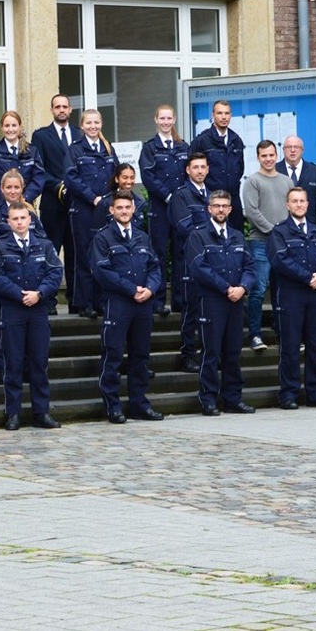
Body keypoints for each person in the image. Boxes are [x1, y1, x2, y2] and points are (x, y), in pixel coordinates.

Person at [0, 202, 63, 431]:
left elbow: (55, 272)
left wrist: (39, 294)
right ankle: (13, 413)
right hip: (13, 309)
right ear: (8, 222)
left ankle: (42, 411)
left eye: (23, 218)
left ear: (30, 220)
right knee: (13, 363)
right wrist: (19, 295)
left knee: (39, 362)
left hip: (38, 309)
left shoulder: (44, 245)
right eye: (15, 219)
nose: (20, 222)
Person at [90, 190, 163, 424]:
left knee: (140, 356)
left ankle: (139, 404)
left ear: (133, 209)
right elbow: (102, 271)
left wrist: (150, 288)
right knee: (113, 355)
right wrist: (132, 289)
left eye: (127, 207)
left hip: (143, 304)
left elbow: (154, 266)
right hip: (118, 303)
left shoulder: (142, 237)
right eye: (119, 208)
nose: (124, 211)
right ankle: (113, 406)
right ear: (111, 210)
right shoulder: (102, 238)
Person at [185, 190, 257, 416]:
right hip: (212, 301)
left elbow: (250, 267)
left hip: (236, 302)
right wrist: (227, 288)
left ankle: (233, 398)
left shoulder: (237, 236)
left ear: (231, 209)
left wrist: (243, 287)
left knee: (233, 352)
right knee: (211, 351)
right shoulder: (198, 236)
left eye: (225, 206)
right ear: (209, 209)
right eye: (216, 205)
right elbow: (199, 268)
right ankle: (208, 399)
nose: (221, 209)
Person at [269, 187, 316, 409]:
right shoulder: (279, 232)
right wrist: (307, 276)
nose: (299, 204)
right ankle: (289, 394)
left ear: (308, 205)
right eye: (294, 201)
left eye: (302, 201)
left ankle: (315, 393)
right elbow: (280, 260)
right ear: (287, 205)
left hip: (315, 296)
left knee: (315, 345)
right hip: (291, 296)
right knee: (290, 346)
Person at [0, 169, 49, 384]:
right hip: (5, 279)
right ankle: (0, 368)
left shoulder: (31, 213)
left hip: (31, 279)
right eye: (8, 187)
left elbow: (41, 240)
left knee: (31, 331)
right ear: (1, 189)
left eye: (17, 187)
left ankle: (28, 369)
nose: (13, 191)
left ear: (23, 189)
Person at [31, 94, 82, 314]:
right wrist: (58, 186)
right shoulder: (41, 136)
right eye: (57, 107)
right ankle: (49, 301)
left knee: (75, 254)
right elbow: (38, 167)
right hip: (52, 203)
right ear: (51, 110)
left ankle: (76, 301)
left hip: (78, 203)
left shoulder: (80, 134)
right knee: (50, 254)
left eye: (65, 107)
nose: (61, 110)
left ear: (70, 110)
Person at [63, 109, 116, 318]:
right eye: (89, 123)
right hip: (84, 209)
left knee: (103, 256)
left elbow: (116, 174)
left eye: (96, 122)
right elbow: (71, 178)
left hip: (106, 209)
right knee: (84, 257)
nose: (93, 126)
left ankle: (100, 302)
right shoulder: (75, 149)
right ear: (82, 126)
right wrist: (93, 198)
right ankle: (84, 303)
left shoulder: (107, 147)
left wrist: (111, 200)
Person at [138, 104, 189, 315]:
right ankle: (158, 301)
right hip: (160, 207)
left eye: (169, 118)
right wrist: (168, 195)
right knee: (157, 254)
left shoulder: (184, 146)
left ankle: (179, 300)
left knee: (180, 253)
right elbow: (148, 176)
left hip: (181, 208)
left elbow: (190, 173)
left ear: (174, 120)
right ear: (156, 120)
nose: (166, 122)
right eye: (162, 119)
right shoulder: (149, 148)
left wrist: (180, 198)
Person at [241, 140, 292, 352]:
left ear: (276, 155)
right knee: (259, 290)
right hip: (260, 242)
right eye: (264, 156)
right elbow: (252, 212)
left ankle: (283, 334)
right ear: (258, 157)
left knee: (282, 291)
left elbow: (293, 209)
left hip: (283, 244)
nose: (269, 159)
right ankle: (255, 334)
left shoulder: (287, 181)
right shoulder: (252, 182)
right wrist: (274, 231)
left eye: (272, 155)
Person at [167, 153, 213, 373]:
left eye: (203, 167)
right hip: (191, 260)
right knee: (191, 310)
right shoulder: (181, 195)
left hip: (214, 261)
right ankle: (188, 354)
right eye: (195, 167)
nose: (200, 171)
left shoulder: (213, 195)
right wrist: (211, 234)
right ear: (188, 170)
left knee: (210, 310)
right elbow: (185, 228)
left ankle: (209, 353)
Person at [190, 99, 246, 231]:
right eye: (220, 113)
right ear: (213, 115)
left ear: (231, 115)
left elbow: (240, 168)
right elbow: (191, 168)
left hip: (233, 200)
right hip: (210, 200)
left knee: (236, 236)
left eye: (227, 113)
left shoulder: (236, 140)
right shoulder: (202, 140)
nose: (223, 117)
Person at [0, 110, 45, 205]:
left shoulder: (31, 151)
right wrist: (7, 201)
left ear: (20, 127)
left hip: (25, 206)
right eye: (7, 126)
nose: (10, 129)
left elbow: (39, 178)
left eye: (14, 125)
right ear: (2, 128)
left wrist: (24, 199)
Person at [281, 136, 316, 231]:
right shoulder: (276, 170)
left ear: (302, 150)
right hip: (282, 231)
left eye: (296, 147)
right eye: (289, 147)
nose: (292, 150)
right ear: (283, 150)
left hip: (310, 231)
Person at [92, 163, 147, 235]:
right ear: (117, 179)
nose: (129, 181)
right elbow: (97, 233)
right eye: (125, 177)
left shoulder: (141, 204)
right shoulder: (105, 203)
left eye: (132, 178)